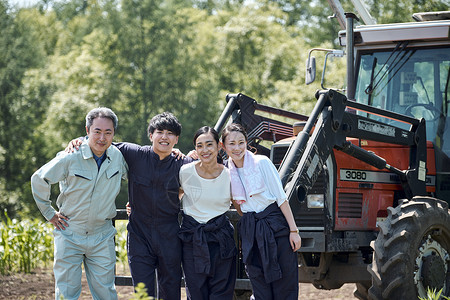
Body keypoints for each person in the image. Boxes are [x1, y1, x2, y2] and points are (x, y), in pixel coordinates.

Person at [68, 112, 193, 299]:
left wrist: (195, 153)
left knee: (171, 289)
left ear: (176, 139)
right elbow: (103, 141)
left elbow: (211, 166)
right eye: (160, 132)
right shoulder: (134, 154)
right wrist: (79, 140)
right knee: (142, 290)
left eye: (170, 133)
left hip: (170, 236)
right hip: (139, 236)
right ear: (151, 135)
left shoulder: (183, 163)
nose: (164, 137)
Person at [31, 107, 128, 300]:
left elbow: (139, 177)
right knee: (67, 293)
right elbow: (39, 178)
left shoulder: (118, 157)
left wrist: (134, 200)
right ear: (87, 130)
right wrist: (49, 213)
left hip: (102, 236)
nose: (102, 138)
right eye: (97, 131)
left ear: (114, 134)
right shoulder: (70, 156)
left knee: (106, 294)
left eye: (108, 132)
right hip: (69, 233)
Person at [221, 123, 301, 300]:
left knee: (284, 285)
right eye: (232, 143)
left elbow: (281, 198)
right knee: (259, 285)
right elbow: (241, 209)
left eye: (241, 142)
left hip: (276, 227)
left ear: (247, 143)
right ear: (223, 146)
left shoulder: (262, 162)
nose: (237, 148)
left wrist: (294, 231)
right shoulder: (227, 173)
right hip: (251, 230)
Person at [178, 126, 237, 300]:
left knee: (222, 292)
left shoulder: (229, 175)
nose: (205, 150)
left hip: (222, 239)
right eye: (199, 146)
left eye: (209, 144)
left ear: (219, 146)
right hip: (192, 239)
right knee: (196, 293)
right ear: (195, 149)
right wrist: (136, 204)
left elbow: (241, 203)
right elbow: (172, 197)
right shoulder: (185, 171)